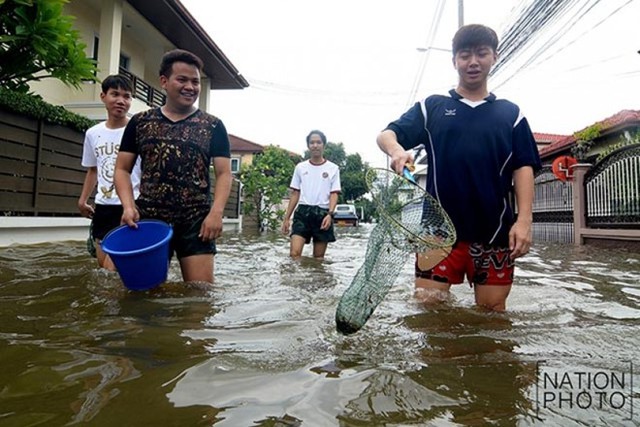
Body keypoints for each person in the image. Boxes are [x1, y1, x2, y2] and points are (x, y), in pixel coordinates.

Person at [376, 24, 541, 311]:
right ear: (454, 61)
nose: (473, 62)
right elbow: (386, 134)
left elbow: (523, 166)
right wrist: (396, 150)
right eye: (465, 55)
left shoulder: (511, 114)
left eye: (481, 53)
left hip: (494, 234)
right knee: (429, 314)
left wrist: (524, 221)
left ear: (494, 57)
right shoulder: (432, 107)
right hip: (435, 233)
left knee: (492, 321)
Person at [114, 49, 232, 284]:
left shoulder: (213, 126)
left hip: (196, 221)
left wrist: (216, 213)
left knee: (199, 296)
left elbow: (224, 173)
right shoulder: (140, 122)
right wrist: (128, 206)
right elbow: (122, 169)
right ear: (164, 82)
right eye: (183, 79)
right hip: (149, 219)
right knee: (143, 296)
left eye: (195, 81)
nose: (190, 87)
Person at [77, 74, 141, 270]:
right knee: (103, 270)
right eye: (115, 94)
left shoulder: (138, 130)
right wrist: (82, 200)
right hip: (103, 206)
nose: (121, 101)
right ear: (103, 96)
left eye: (127, 96)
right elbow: (93, 170)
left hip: (131, 205)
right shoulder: (93, 133)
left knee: (112, 268)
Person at [281, 130, 341, 259]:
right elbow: (295, 193)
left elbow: (334, 193)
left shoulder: (333, 168)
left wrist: (330, 214)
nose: (315, 145)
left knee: (318, 259)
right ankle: (295, 279)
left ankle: (316, 280)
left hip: (322, 214)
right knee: (294, 254)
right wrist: (287, 218)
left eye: (318, 142)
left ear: (324, 145)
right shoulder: (300, 167)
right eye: (312, 143)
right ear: (308, 146)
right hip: (302, 213)